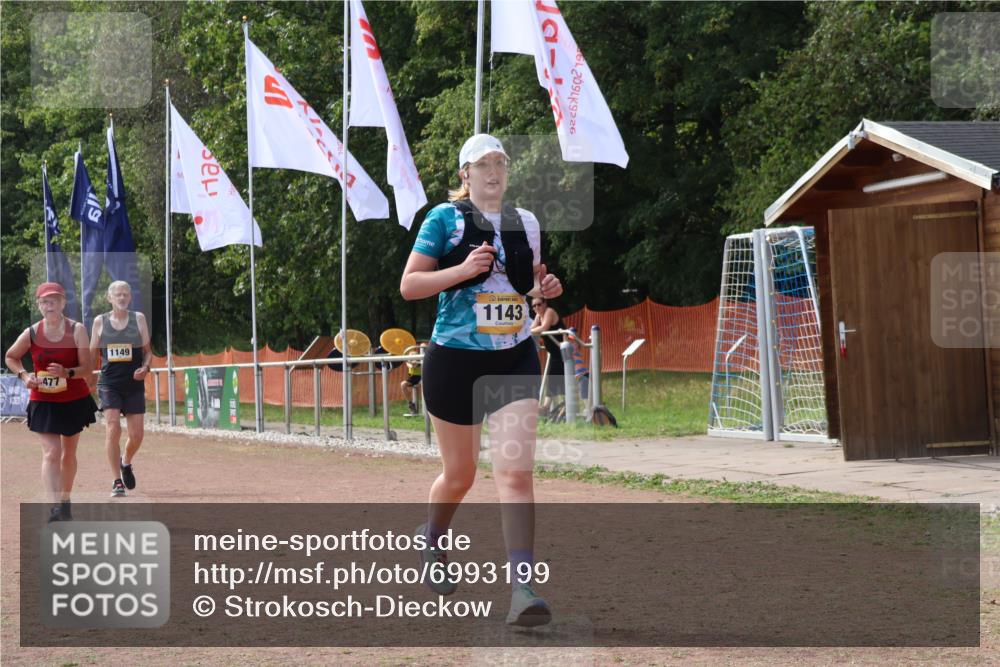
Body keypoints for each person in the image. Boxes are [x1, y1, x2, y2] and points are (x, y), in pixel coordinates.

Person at [400, 133, 562, 627]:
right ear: (464, 175)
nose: (494, 171)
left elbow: (524, 286)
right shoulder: (443, 220)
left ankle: (522, 590)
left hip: (513, 355)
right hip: (454, 360)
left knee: (515, 473)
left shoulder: (526, 223)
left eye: (501, 163)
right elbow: (410, 285)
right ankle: (432, 539)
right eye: (483, 164)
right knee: (460, 475)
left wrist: (544, 289)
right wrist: (461, 269)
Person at [5, 282, 97, 522]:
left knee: (68, 454)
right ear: (38, 305)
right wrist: (24, 376)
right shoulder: (32, 332)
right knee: (51, 453)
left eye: (54, 300)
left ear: (63, 303)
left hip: (73, 399)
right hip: (43, 400)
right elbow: (11, 356)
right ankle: (55, 506)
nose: (50, 305)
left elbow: (87, 367)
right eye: (45, 301)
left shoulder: (77, 330)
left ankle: (65, 500)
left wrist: (68, 373)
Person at [90, 280, 151, 498]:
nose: (122, 298)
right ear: (109, 298)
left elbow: (147, 352)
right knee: (113, 428)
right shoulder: (100, 322)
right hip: (109, 384)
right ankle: (116, 481)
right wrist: (83, 379)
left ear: (130, 297)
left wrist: (145, 367)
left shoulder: (139, 319)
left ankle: (125, 462)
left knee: (136, 435)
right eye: (118, 295)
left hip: (133, 384)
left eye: (126, 294)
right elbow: (90, 355)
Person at [529, 297, 567, 411]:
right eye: (534, 306)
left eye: (539, 304)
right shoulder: (538, 316)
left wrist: (529, 331)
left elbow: (543, 327)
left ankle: (547, 407)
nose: (537, 308)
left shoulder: (549, 311)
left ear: (545, 303)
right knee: (554, 378)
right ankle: (555, 407)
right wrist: (531, 330)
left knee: (555, 378)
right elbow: (532, 328)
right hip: (554, 353)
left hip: (563, 351)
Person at [400, 343, 426, 416]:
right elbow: (410, 365)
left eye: (415, 357)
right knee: (403, 384)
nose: (413, 359)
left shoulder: (422, 361)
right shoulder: (409, 362)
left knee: (423, 383)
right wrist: (411, 362)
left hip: (423, 377)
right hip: (413, 378)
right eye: (411, 357)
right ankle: (411, 404)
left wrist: (415, 362)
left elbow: (417, 364)